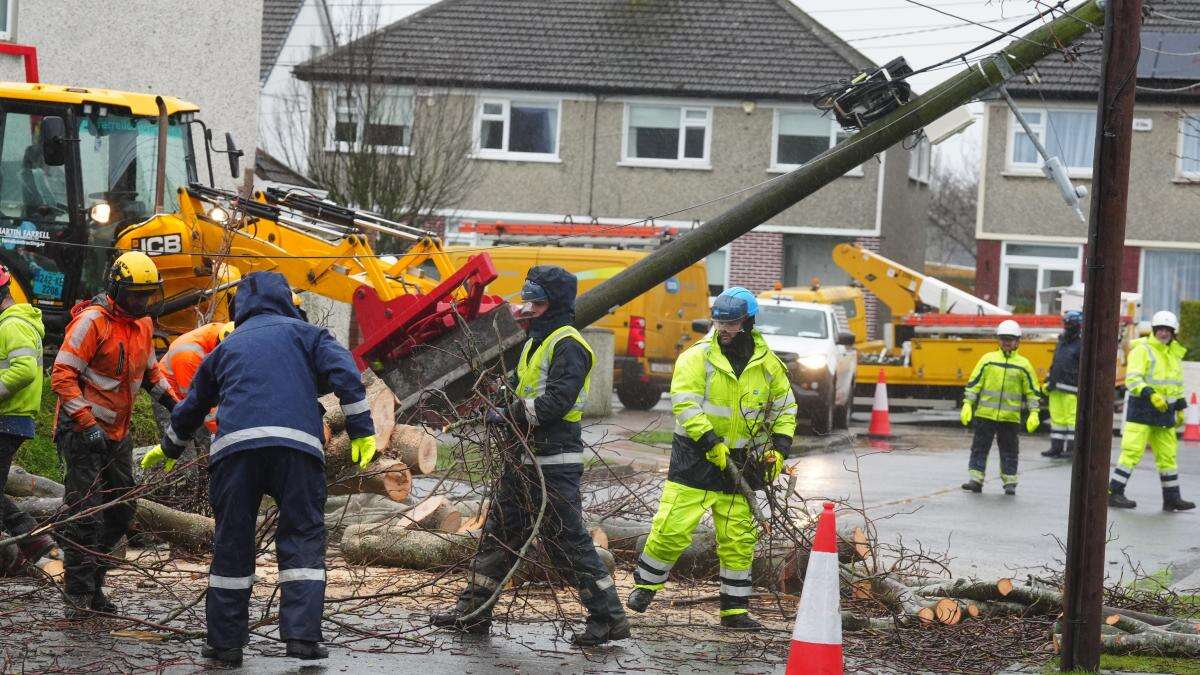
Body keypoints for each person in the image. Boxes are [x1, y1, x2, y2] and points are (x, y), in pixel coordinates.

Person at [142, 271, 376, 665]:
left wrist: (169, 447)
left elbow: (193, 403)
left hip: (235, 452)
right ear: (287, 301)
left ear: (238, 309)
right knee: (302, 537)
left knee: (232, 542)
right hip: (297, 450)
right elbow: (346, 376)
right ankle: (302, 639)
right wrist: (361, 431)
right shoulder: (309, 336)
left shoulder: (227, 346)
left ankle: (225, 644)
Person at [430, 265, 630, 646]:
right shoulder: (537, 342)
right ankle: (473, 611)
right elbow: (521, 388)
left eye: (536, 302)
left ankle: (609, 617)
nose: (529, 308)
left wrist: (510, 415)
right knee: (499, 534)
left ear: (554, 304)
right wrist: (495, 400)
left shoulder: (568, 344)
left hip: (553, 461)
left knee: (565, 540)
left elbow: (555, 402)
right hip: (522, 459)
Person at [626, 287, 794, 630]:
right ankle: (645, 587)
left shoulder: (769, 366)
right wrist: (708, 440)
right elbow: (685, 402)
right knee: (671, 529)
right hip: (696, 459)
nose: (724, 329)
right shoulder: (696, 357)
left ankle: (734, 610)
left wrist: (778, 449)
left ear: (748, 321)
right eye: (720, 322)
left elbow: (785, 409)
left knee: (739, 539)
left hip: (742, 465)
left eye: (731, 323)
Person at [51, 251, 178, 618]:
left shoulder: (143, 325)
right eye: (135, 295)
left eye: (146, 294)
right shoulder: (93, 322)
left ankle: (96, 585)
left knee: (122, 510)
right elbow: (62, 375)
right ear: (116, 288)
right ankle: (76, 593)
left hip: (117, 433)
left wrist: (174, 404)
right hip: (81, 431)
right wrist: (87, 423)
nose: (140, 301)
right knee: (85, 513)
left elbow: (151, 374)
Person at [1108, 310, 1194, 511]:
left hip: (1164, 413)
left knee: (1168, 456)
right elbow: (1133, 379)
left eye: (1167, 330)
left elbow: (1175, 385)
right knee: (1131, 453)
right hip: (1142, 411)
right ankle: (1114, 492)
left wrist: (1180, 407)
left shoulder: (1173, 353)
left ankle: (1172, 498)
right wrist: (1151, 394)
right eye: (1160, 329)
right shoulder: (1142, 350)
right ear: (1154, 330)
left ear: (1174, 333)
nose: (1163, 333)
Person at [0, 264, 54, 564]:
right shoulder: (11, 323)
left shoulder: (13, 325)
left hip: (9, 417)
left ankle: (33, 546)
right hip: (11, 417)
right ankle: (33, 547)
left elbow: (22, 371)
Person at [960, 319, 1041, 496]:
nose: (1006, 342)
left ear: (1017, 341)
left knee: (1010, 451)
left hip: (1009, 418)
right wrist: (967, 403)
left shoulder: (1023, 365)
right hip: (985, 415)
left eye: (1010, 339)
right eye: (1003, 339)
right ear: (998, 339)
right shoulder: (987, 360)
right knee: (979, 449)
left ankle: (1010, 482)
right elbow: (974, 384)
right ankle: (976, 480)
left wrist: (1034, 412)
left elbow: (1032, 391)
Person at [161, 321, 235, 434]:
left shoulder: (226, 332)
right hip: (169, 395)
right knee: (184, 438)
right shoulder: (189, 357)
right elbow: (197, 400)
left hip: (190, 385)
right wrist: (229, 434)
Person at [1043, 311, 1082, 459]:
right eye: (1066, 323)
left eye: (1070, 324)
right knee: (1057, 420)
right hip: (1056, 387)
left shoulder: (1080, 344)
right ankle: (1056, 448)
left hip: (1071, 388)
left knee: (1072, 420)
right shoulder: (1062, 342)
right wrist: (1048, 380)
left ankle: (1072, 449)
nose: (1067, 327)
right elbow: (1056, 363)